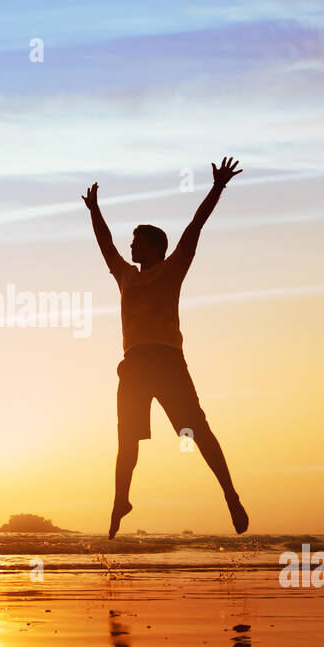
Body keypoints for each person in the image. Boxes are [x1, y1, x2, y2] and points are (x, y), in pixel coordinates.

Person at [82, 157, 248, 539]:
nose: (131, 245)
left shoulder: (173, 268)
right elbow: (105, 244)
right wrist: (94, 210)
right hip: (134, 366)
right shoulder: (125, 275)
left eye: (138, 240)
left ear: (155, 247)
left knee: (197, 431)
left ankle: (230, 494)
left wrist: (217, 187)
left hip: (168, 363)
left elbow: (194, 227)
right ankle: (121, 500)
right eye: (132, 241)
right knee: (127, 441)